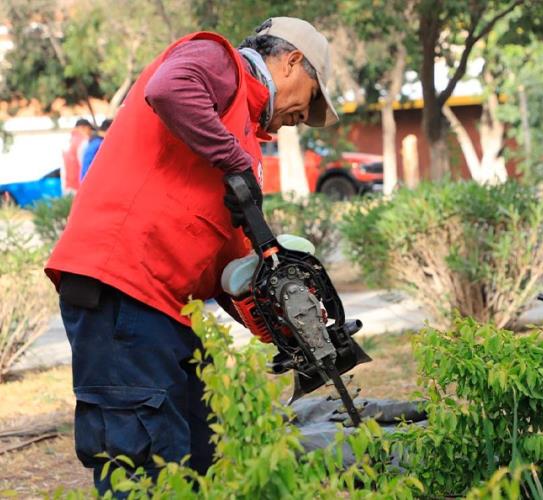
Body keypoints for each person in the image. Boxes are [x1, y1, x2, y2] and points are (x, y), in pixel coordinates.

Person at [45, 17, 338, 494]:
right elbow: (169, 88)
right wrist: (235, 162)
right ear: (291, 62)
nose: (306, 114)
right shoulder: (220, 62)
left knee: (202, 458)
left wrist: (284, 324)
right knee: (147, 469)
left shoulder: (239, 136)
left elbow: (229, 265)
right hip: (121, 292)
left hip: (162, 310)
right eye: (313, 94)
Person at [61, 118, 95, 192]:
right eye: (90, 129)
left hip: (67, 184)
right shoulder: (84, 142)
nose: (90, 132)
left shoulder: (68, 140)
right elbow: (85, 165)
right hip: (79, 185)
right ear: (85, 128)